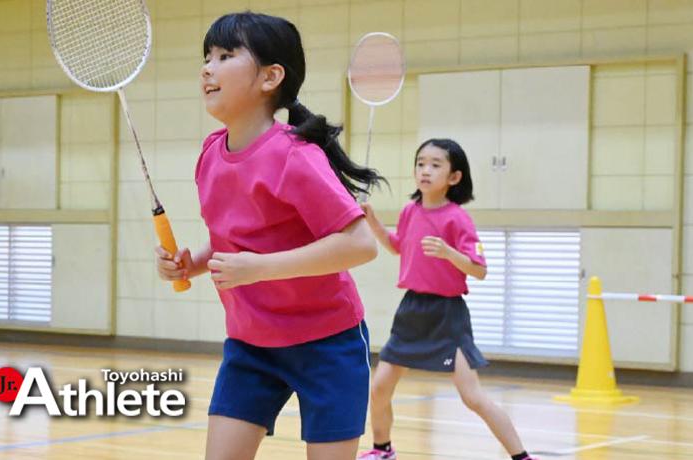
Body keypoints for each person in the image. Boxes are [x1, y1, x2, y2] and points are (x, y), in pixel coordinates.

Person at [155, 12, 387, 460]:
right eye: (206, 57)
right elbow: (233, 238)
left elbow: (360, 244)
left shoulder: (294, 155)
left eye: (225, 56)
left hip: (327, 343)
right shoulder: (210, 154)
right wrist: (191, 264)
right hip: (250, 345)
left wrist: (260, 268)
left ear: (270, 77)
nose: (207, 68)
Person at [357, 138, 536, 460]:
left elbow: (480, 270)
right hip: (411, 310)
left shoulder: (457, 218)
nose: (425, 170)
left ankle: (521, 456)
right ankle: (383, 449)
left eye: (435, 165)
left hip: (447, 314)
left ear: (454, 177)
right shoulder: (410, 211)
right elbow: (398, 246)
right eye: (420, 163)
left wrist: (449, 252)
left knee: (472, 396)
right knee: (379, 388)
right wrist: (372, 221)